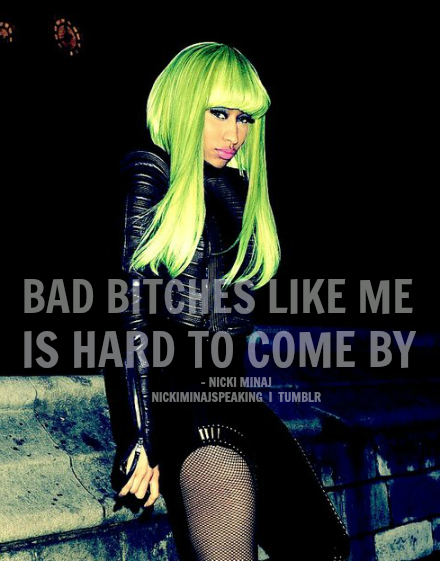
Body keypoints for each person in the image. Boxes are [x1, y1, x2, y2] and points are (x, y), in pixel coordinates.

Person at [115, 42, 350, 561]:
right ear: (184, 105)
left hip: (236, 398)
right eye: (218, 113)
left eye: (244, 118)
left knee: (326, 546)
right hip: (181, 403)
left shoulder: (235, 188)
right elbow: (129, 317)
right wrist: (141, 437)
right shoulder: (150, 171)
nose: (234, 133)